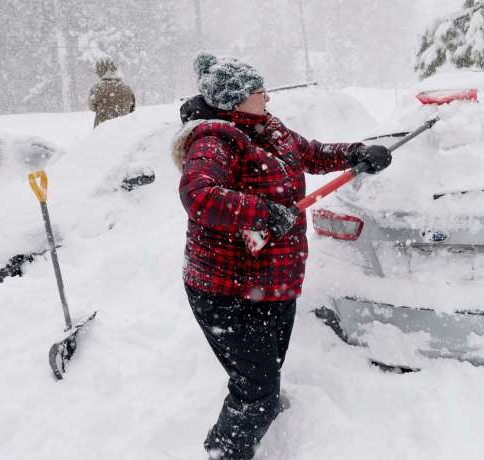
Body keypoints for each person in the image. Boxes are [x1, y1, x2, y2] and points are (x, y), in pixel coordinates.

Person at [171, 52, 392, 460]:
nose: (267, 97)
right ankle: (227, 449)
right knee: (257, 389)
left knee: (264, 371)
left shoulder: (268, 127)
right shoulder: (215, 140)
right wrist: (262, 211)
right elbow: (198, 195)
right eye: (259, 91)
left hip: (272, 281)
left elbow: (311, 152)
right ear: (235, 99)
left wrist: (355, 153)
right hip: (225, 288)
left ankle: (261, 404)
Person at [88, 57, 135, 127]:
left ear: (101, 70)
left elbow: (92, 107)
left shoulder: (97, 88)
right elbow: (132, 108)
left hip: (103, 128)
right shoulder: (127, 88)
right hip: (125, 129)